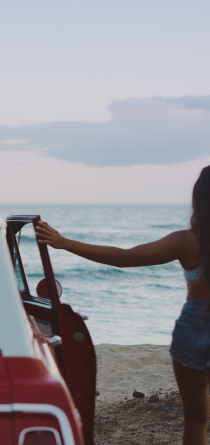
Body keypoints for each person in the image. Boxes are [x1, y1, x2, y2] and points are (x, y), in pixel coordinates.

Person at [36, 165, 210, 445]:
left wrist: (63, 242)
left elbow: (124, 258)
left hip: (193, 326)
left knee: (196, 419)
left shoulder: (187, 241)